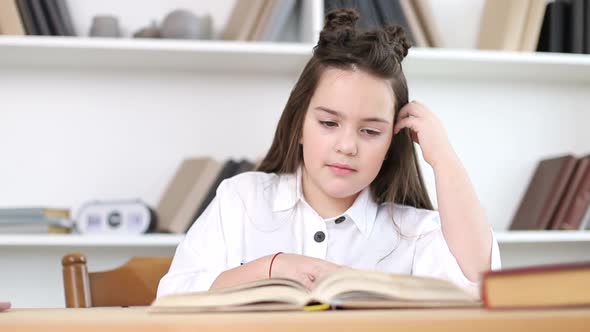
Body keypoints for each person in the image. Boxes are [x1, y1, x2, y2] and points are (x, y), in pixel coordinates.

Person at [157, 9, 500, 297]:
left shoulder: (415, 232)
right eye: (328, 123)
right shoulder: (240, 201)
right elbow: (172, 296)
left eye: (370, 131)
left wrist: (444, 158)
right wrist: (273, 267)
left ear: (391, 143)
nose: (347, 146)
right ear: (300, 124)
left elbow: (479, 287)